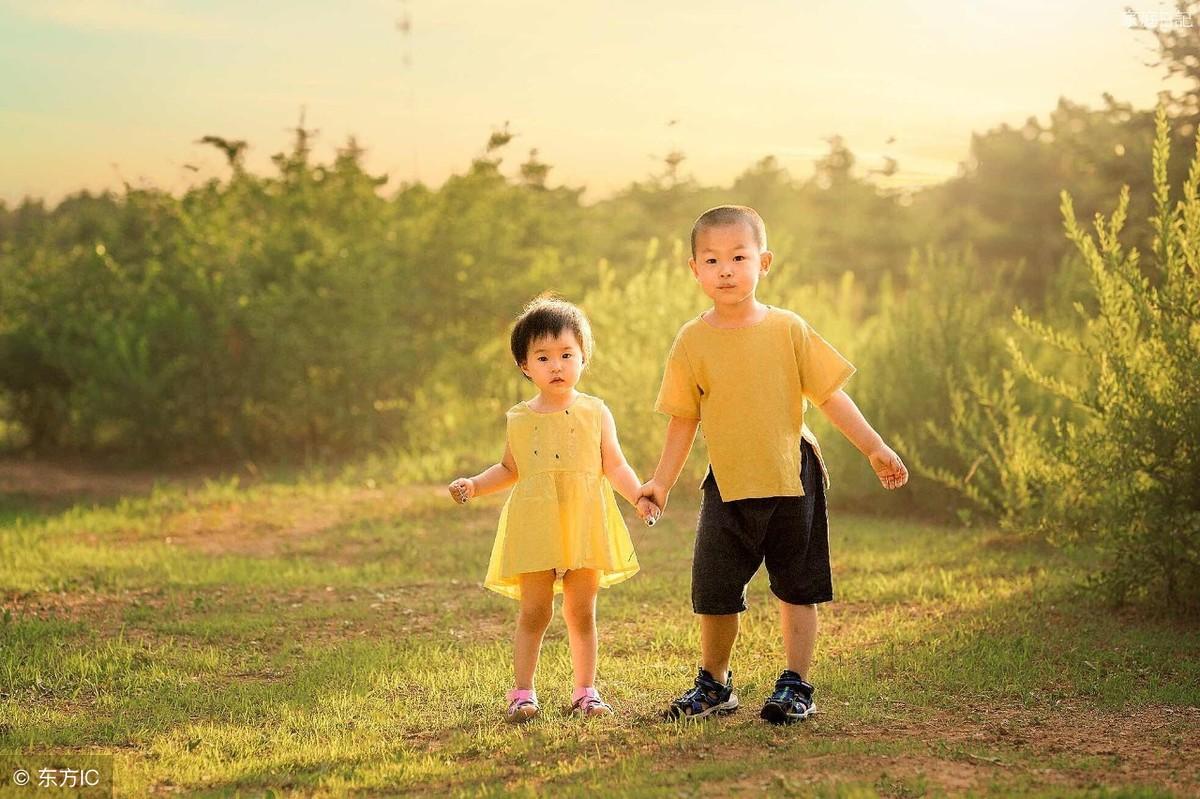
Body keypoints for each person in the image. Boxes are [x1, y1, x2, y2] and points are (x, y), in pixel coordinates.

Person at [638, 205, 909, 724]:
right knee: (713, 588)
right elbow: (682, 421)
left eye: (738, 257)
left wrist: (874, 447)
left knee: (796, 583)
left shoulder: (787, 328)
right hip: (729, 481)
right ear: (694, 269)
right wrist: (661, 483)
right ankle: (715, 684)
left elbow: (830, 397)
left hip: (792, 477)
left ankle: (796, 685)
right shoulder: (692, 341)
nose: (725, 269)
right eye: (712, 259)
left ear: (763, 262)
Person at [449, 295, 659, 723]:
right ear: (525, 366)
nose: (557, 365)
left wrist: (638, 493)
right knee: (535, 610)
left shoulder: (595, 411)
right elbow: (509, 468)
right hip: (536, 522)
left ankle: (586, 691)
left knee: (582, 610)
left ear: (584, 358)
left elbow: (613, 464)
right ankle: (522, 692)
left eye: (567, 354)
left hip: (585, 520)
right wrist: (474, 484)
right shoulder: (520, 418)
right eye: (543, 357)